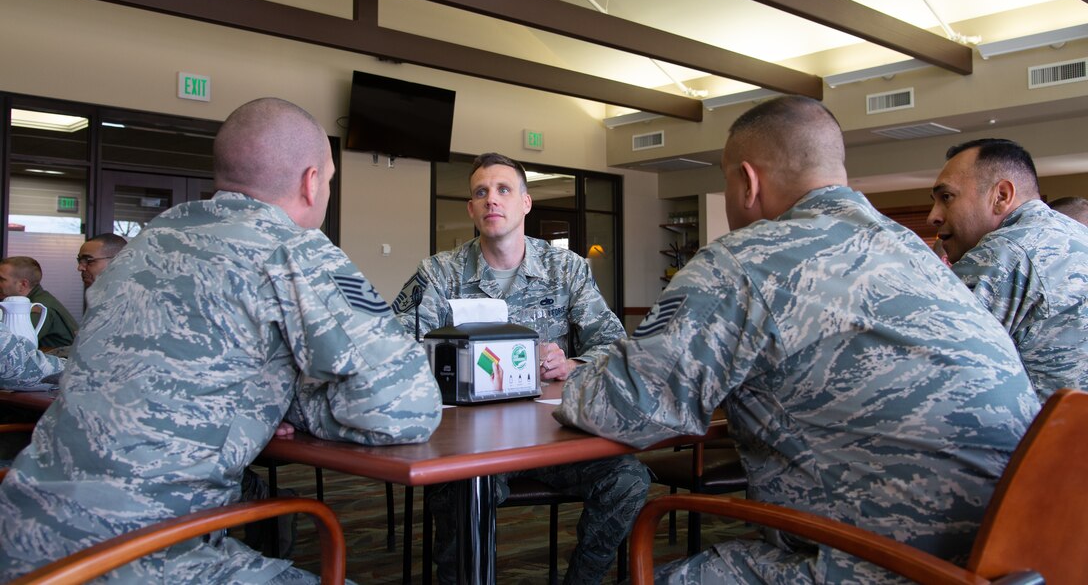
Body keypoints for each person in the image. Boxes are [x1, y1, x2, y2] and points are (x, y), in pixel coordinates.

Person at [555, 96, 1039, 583]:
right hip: (1004, 558)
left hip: (883, 563)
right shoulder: (917, 253)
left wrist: (575, 377)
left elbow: (622, 407)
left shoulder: (744, 259)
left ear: (747, 182)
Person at [0, 97, 442, 583]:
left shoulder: (143, 243)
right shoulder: (290, 247)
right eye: (331, 180)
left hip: (21, 530)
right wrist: (293, 403)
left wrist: (259, 399)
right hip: (141, 554)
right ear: (312, 181)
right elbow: (405, 410)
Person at [394, 152, 648, 585]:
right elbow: (396, 349)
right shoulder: (439, 273)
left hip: (552, 437)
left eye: (503, 189)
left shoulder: (566, 269)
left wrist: (572, 362)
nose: (492, 200)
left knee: (629, 480)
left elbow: (613, 342)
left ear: (526, 203)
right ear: (472, 209)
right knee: (461, 495)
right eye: (481, 192)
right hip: (471, 444)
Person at [928, 138, 1088, 400]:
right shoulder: (1076, 235)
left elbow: (925, 366)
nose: (933, 215)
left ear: (1001, 196)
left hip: (1034, 436)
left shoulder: (1004, 252)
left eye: (947, 197)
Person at [0, 256, 79, 351]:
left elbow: (11, 346)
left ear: (23, 284)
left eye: (1, 279)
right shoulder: (31, 301)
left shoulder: (40, 306)